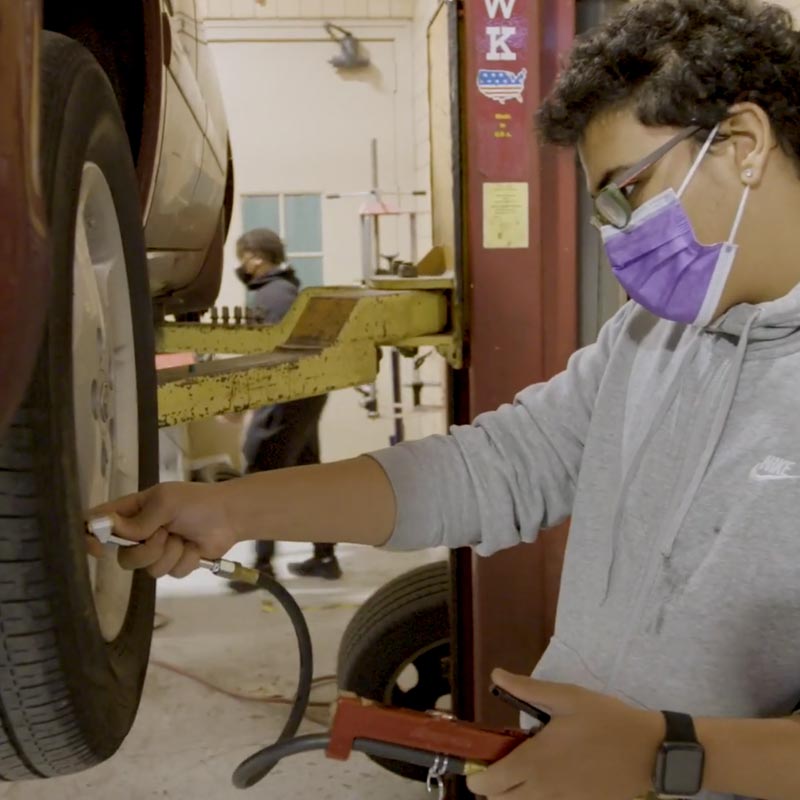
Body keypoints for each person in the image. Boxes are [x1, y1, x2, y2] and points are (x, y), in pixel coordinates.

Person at [89, 2, 800, 797]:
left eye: (628, 192)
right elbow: (490, 469)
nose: (619, 234)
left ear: (742, 145)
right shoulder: (649, 338)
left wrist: (671, 753)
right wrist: (237, 511)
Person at [230, 228, 341, 583]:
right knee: (308, 476)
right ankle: (325, 557)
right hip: (305, 397)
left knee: (261, 478)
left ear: (256, 258)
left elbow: (268, 360)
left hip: (287, 397)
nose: (241, 265)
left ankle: (260, 568)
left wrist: (240, 403)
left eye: (242, 258)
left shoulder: (272, 296)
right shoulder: (289, 290)